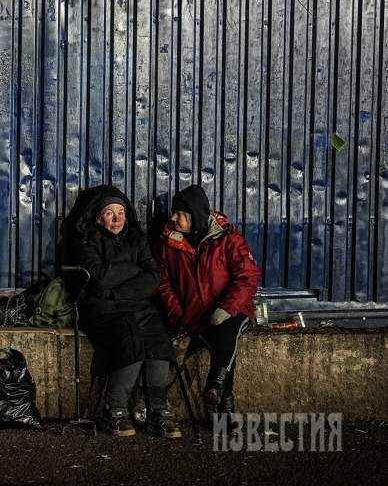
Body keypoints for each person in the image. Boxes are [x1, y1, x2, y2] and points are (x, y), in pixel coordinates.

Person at [62, 185, 181, 438]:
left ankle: (158, 410)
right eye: (109, 212)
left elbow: (153, 277)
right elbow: (100, 278)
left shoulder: (137, 239)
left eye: (121, 212)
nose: (116, 218)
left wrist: (117, 288)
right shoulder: (86, 239)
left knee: (158, 339)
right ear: (97, 216)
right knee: (129, 338)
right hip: (101, 309)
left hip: (133, 304)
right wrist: (132, 270)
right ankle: (114, 410)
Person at [155, 184, 259, 422]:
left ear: (194, 215)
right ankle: (224, 399)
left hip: (233, 311)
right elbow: (162, 285)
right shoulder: (167, 242)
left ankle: (216, 386)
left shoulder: (228, 239)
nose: (173, 217)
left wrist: (226, 308)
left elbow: (247, 276)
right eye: (173, 212)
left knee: (226, 330)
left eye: (179, 213)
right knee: (224, 341)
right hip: (193, 317)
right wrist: (180, 315)